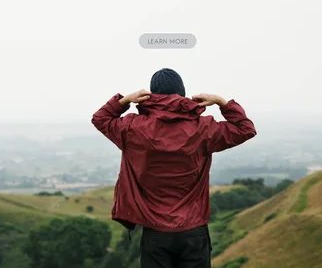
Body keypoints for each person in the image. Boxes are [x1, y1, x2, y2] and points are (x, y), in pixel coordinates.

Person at [91, 68, 257, 268]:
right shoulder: (203, 128)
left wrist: (124, 101)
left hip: (155, 232)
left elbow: (100, 118)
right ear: (183, 93)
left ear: (149, 96)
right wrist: (221, 102)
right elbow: (245, 129)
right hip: (194, 231)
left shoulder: (132, 128)